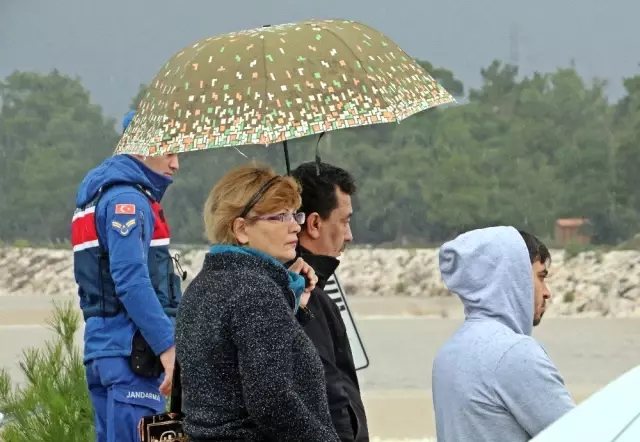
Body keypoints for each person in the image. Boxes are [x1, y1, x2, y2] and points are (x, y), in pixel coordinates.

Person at [175, 163, 340, 442]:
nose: (294, 227)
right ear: (241, 229)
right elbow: (272, 402)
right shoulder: (255, 292)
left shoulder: (201, 286)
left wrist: (290, 300)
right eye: (278, 217)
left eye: (294, 215)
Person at [71, 110, 182, 442]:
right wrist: (167, 346)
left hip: (103, 353)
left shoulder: (95, 197)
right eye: (170, 151)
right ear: (141, 147)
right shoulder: (127, 200)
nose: (176, 165)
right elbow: (131, 280)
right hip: (132, 357)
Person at [432, 226, 575, 442]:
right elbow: (579, 433)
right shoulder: (514, 353)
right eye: (540, 277)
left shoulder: (447, 353)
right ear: (515, 278)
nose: (547, 292)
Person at [290, 161, 369, 442]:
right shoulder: (306, 297)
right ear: (313, 223)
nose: (349, 235)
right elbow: (329, 395)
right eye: (344, 221)